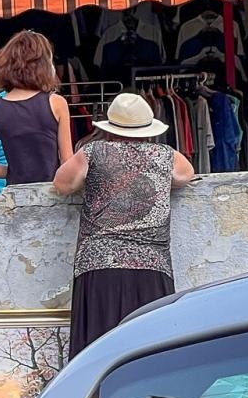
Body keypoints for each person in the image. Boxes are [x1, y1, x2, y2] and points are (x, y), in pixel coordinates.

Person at [53, 91, 196, 359]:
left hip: (100, 265)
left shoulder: (93, 151)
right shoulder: (165, 154)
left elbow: (62, 184)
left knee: (98, 351)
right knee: (151, 352)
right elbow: (186, 175)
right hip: (152, 267)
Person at [0, 30, 73, 187]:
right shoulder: (56, 103)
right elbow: (67, 161)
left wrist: (16, 171)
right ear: (44, 65)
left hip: (15, 196)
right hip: (50, 194)